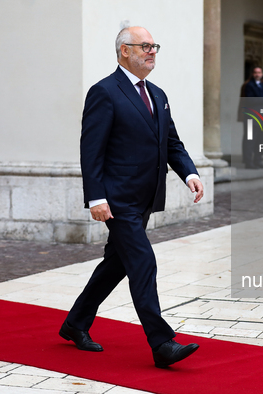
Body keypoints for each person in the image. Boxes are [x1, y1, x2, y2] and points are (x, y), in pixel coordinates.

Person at [59, 26, 203, 369]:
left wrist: (190, 173)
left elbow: (171, 144)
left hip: (146, 198)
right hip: (117, 200)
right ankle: (161, 342)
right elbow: (90, 150)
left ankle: (75, 323)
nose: (152, 51)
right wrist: (96, 198)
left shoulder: (158, 94)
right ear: (124, 51)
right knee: (142, 261)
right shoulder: (104, 92)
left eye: (154, 46)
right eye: (145, 46)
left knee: (117, 264)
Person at [242, 66, 263, 169]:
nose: (257, 74)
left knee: (259, 140)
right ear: (252, 74)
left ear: (262, 74)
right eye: (255, 72)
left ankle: (258, 161)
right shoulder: (249, 85)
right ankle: (248, 162)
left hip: (261, 118)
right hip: (251, 118)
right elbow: (250, 100)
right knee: (250, 141)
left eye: (259, 72)